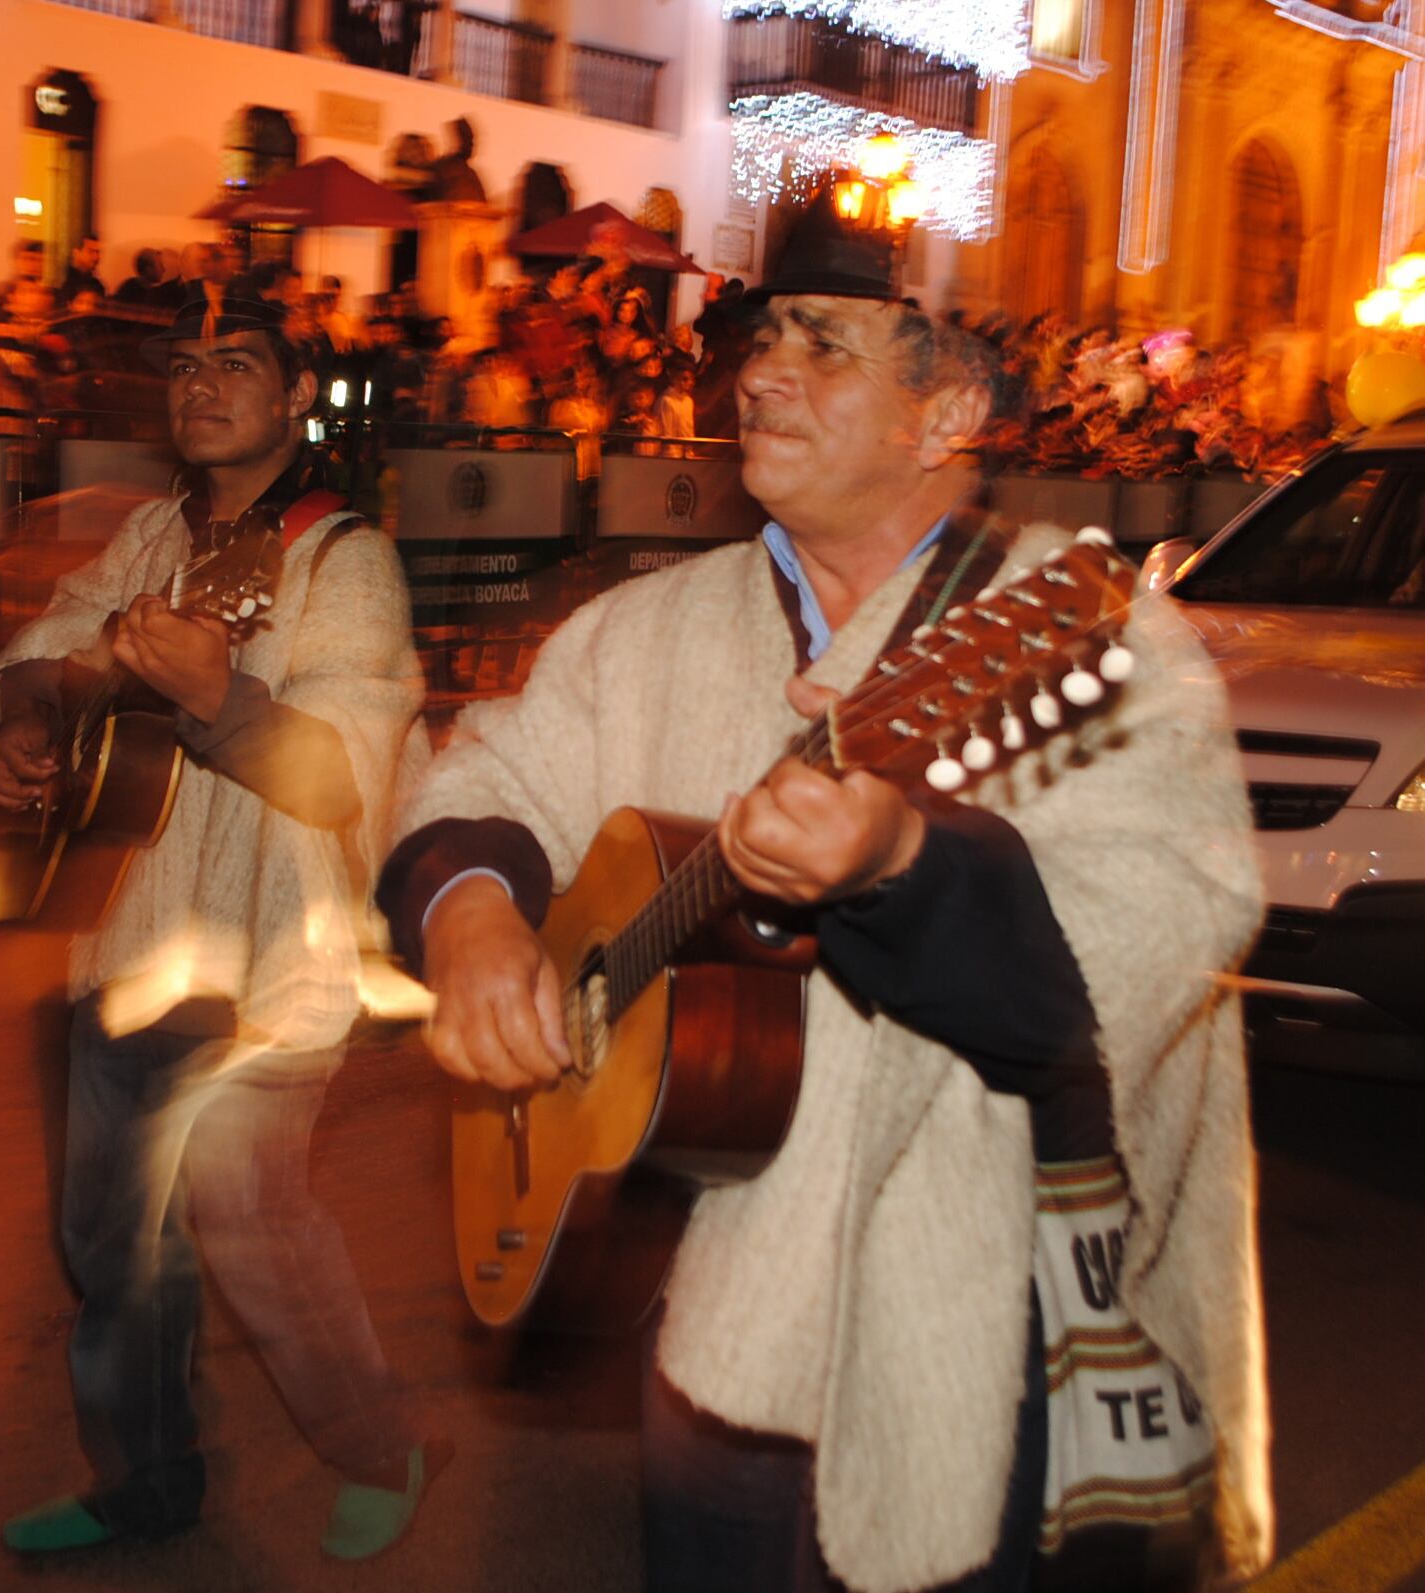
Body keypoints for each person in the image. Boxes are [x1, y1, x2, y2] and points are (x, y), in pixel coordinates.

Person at [376, 197, 1272, 1592]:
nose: (760, 376)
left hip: (998, 1338)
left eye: (823, 345)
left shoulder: (1096, 628)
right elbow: (479, 773)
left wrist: (903, 868)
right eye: (756, 340)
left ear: (948, 405)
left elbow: (1155, 937)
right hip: (723, 1328)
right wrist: (474, 916)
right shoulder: (643, 627)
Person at [0, 290, 434, 1562]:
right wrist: (28, 720)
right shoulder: (146, 538)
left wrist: (216, 695)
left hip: (268, 950)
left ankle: (380, 1443)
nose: (200, 383)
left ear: (300, 396)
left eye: (237, 363)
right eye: (184, 364)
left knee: (256, 1229)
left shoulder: (344, 558)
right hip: (125, 933)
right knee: (111, 1239)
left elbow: (347, 769)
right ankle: (143, 1482)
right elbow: (51, 642)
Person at [58, 233, 106, 310]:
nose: (96, 257)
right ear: (76, 253)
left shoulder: (97, 286)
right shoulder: (60, 280)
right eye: (90, 251)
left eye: (98, 252)